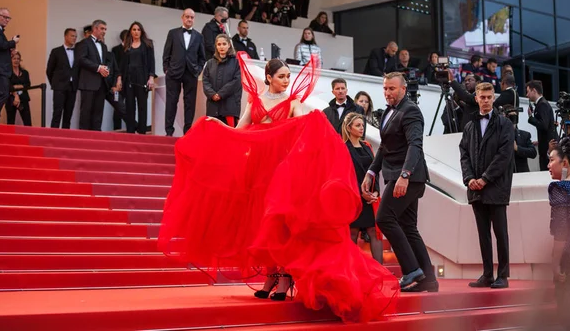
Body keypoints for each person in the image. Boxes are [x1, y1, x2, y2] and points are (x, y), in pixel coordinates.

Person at [159, 53, 399, 322]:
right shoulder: (256, 101)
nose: (286, 81)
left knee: (282, 225)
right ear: (269, 78)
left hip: (283, 171)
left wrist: (314, 120)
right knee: (263, 226)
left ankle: (284, 279)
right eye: (282, 76)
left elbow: (301, 125)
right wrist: (218, 126)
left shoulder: (293, 101)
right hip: (259, 171)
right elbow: (241, 129)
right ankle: (270, 278)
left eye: (288, 76)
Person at [362, 72, 438, 293]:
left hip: (409, 177)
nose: (387, 93)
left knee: (384, 218)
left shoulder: (410, 110)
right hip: (396, 175)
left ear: (403, 89)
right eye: (385, 88)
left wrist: (404, 175)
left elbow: (415, 145)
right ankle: (429, 280)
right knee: (408, 227)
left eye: (392, 89)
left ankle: (412, 270)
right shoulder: (387, 111)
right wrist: (372, 171)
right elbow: (385, 148)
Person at [459, 82, 514, 289]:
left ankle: (503, 275)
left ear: (493, 98)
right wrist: (469, 178)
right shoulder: (470, 125)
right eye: (482, 97)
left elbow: (504, 156)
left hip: (496, 187)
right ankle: (487, 274)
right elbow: (464, 153)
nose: (485, 101)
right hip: (475, 188)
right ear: (476, 98)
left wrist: (485, 178)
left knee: (500, 233)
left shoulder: (505, 124)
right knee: (483, 235)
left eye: (489, 97)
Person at [547, 138, 570, 331]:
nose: (548, 165)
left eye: (552, 160)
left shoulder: (559, 188)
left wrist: (554, 264)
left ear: (565, 162)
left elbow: (561, 231)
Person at [342, 112, 383, 264]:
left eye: (362, 125)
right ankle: (350, 270)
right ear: (348, 128)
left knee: (374, 231)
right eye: (358, 125)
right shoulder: (343, 148)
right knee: (353, 232)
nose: (361, 128)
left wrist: (376, 191)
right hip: (353, 197)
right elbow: (344, 175)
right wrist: (360, 194)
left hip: (370, 198)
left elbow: (375, 171)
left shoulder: (367, 146)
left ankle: (380, 271)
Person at [163, 9, 206, 136]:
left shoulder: (199, 36)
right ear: (182, 17)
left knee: (190, 103)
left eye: (192, 17)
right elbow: (167, 53)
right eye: (187, 17)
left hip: (191, 73)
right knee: (171, 102)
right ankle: (169, 131)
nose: (189, 19)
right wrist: (167, 69)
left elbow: (202, 57)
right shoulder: (173, 33)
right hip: (174, 73)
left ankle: (187, 131)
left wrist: (198, 70)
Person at [75, 19, 114, 131]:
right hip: (88, 83)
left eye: (105, 29)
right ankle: (83, 140)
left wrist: (106, 68)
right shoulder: (83, 43)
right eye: (102, 28)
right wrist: (98, 68)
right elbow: (81, 59)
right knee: (86, 112)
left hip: (101, 84)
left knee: (98, 113)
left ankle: (97, 139)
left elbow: (105, 62)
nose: (104, 31)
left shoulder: (103, 46)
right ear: (95, 28)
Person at [121, 22, 156, 134]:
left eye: (138, 29)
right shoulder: (127, 45)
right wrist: (120, 79)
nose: (136, 32)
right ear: (130, 31)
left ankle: (142, 132)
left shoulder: (148, 44)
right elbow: (123, 64)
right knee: (130, 107)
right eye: (134, 29)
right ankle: (130, 132)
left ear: (141, 31)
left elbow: (152, 62)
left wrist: (151, 78)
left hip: (142, 79)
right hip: (129, 79)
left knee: (142, 106)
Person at [202, 34, 242, 127]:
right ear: (216, 46)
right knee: (213, 136)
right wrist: (212, 94)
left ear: (229, 45)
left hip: (230, 106)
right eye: (219, 44)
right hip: (213, 106)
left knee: (229, 136)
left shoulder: (236, 62)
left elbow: (236, 81)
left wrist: (220, 94)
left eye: (224, 44)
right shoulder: (209, 63)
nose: (221, 46)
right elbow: (205, 81)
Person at [47, 28, 78, 129]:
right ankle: (52, 137)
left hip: (72, 87)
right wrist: (55, 84)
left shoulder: (78, 52)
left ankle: (65, 138)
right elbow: (49, 70)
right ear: (65, 36)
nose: (74, 38)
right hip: (59, 87)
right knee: (57, 113)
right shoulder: (56, 51)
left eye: (75, 36)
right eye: (72, 36)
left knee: (68, 114)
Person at [526, 80, 558, 170]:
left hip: (547, 149)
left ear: (534, 91)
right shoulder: (542, 104)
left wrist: (530, 117)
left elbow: (544, 125)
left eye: (528, 91)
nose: (526, 95)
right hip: (546, 146)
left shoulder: (542, 104)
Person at [503, 105, 537, 173]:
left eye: (514, 117)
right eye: (510, 117)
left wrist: (517, 148)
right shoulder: (498, 136)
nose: (512, 121)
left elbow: (533, 153)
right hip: (505, 175)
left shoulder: (524, 135)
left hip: (521, 175)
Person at [6, 50, 32, 126]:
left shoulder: (25, 72)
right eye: (14, 58)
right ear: (10, 60)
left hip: (23, 99)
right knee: (10, 122)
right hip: (11, 99)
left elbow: (28, 84)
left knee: (28, 122)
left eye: (18, 58)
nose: (16, 60)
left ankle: (29, 137)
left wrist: (19, 86)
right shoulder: (7, 72)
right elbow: (8, 85)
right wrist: (15, 95)